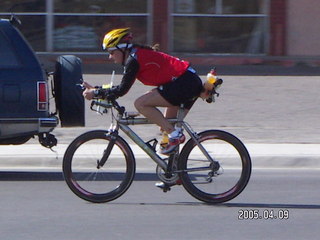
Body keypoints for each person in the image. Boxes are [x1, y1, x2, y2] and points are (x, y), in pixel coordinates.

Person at [83, 28, 205, 155]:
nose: (110, 57)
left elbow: (122, 90)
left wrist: (96, 93)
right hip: (186, 81)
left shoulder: (134, 60)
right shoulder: (136, 55)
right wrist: (97, 90)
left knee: (140, 104)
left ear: (122, 48)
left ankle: (176, 136)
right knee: (165, 125)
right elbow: (120, 87)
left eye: (111, 52)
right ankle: (175, 171)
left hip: (184, 83)